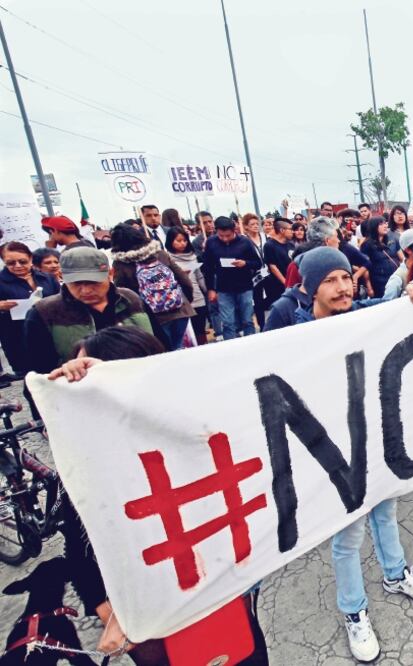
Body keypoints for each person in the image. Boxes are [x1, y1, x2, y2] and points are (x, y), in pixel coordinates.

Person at [45, 326, 270, 665]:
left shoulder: (193, 433)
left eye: (98, 376)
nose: (86, 385)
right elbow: (77, 550)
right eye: (81, 379)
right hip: (153, 621)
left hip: (220, 593)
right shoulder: (86, 463)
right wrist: (106, 609)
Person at [288, 247, 413, 661]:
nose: (341, 287)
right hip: (331, 448)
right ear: (310, 286)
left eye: (345, 277)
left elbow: (408, 299)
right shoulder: (290, 327)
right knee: (348, 533)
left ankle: (395, 573)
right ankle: (354, 611)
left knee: (386, 511)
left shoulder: (365, 312)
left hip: (373, 438)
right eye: (329, 280)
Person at [25, 246, 153, 374]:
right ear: (61, 276)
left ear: (110, 274)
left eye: (94, 282)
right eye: (76, 283)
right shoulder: (44, 312)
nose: (86, 290)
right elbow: (37, 373)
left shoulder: (131, 299)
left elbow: (161, 348)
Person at [110, 223, 195, 351]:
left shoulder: (121, 264)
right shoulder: (160, 254)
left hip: (153, 317)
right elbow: (184, 279)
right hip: (179, 309)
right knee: (177, 346)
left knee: (163, 351)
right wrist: (186, 300)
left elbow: (122, 293)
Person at [0, 241, 60, 378]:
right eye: (11, 263)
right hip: (18, 339)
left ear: (31, 259)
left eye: (22, 261)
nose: (18, 266)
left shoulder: (47, 278)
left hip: (51, 334)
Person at [201, 216, 262, 341]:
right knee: (228, 323)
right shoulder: (211, 242)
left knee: (247, 320)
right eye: (221, 235)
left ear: (234, 231)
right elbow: (208, 268)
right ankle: (231, 347)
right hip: (223, 288)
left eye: (228, 235)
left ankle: (252, 343)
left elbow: (257, 263)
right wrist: (211, 289)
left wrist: (245, 263)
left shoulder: (244, 242)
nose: (224, 239)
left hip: (244, 287)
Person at [166, 227, 209, 345]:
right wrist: (179, 275)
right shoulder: (167, 258)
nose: (182, 244)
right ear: (170, 241)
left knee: (200, 329)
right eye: (178, 241)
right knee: (187, 333)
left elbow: (199, 276)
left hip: (197, 297)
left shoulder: (193, 256)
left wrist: (207, 291)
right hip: (181, 300)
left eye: (184, 240)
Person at [358, 216, 401, 298]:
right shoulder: (367, 245)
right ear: (374, 227)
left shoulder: (388, 241)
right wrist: (369, 288)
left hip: (393, 279)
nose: (385, 226)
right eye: (381, 224)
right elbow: (364, 268)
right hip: (379, 282)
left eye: (385, 223)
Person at [242, 213, 269, 329]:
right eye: (252, 224)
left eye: (257, 223)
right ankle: (262, 325)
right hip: (254, 274)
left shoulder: (265, 236)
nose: (255, 226)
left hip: (268, 271)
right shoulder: (244, 240)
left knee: (271, 296)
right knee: (257, 301)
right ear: (246, 226)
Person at [263, 218, 296, 308]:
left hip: (293, 284)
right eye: (290, 229)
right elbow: (273, 267)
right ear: (282, 230)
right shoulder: (269, 245)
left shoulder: (291, 244)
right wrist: (286, 283)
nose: (292, 232)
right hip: (277, 286)